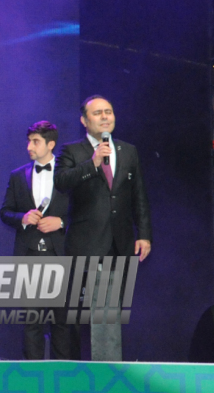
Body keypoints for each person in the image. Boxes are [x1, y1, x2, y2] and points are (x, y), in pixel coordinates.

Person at [55, 95, 152, 361]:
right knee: (77, 314)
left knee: (110, 312)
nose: (105, 117)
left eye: (108, 111)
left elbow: (139, 195)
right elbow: (62, 182)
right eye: (97, 113)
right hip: (85, 242)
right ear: (84, 120)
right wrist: (93, 162)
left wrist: (143, 233)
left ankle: (109, 368)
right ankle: (75, 370)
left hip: (118, 241)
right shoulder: (72, 151)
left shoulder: (128, 150)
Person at [0, 121, 73, 360]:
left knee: (62, 322)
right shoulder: (17, 175)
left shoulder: (68, 174)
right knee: (32, 322)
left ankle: (63, 377)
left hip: (60, 254)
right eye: (29, 140)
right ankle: (33, 378)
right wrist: (23, 217)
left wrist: (60, 222)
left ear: (51, 144)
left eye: (36, 141)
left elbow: (84, 212)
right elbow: (5, 212)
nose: (29, 146)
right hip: (29, 255)